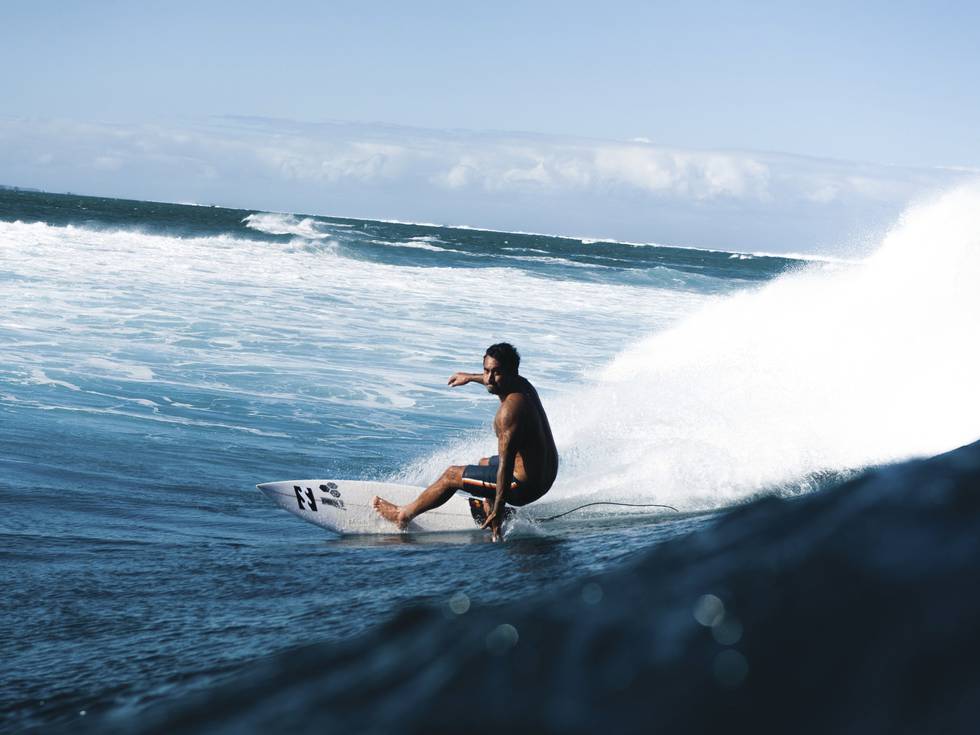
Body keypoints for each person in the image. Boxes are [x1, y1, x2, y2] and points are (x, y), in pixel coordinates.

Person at [373, 343, 558, 540]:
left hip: (523, 486)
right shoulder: (523, 385)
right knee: (484, 462)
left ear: (511, 372)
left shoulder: (509, 413)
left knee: (452, 475)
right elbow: (491, 381)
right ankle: (492, 510)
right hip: (545, 474)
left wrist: (498, 507)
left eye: (496, 372)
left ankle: (402, 515)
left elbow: (506, 464)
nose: (489, 378)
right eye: (486, 370)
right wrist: (469, 377)